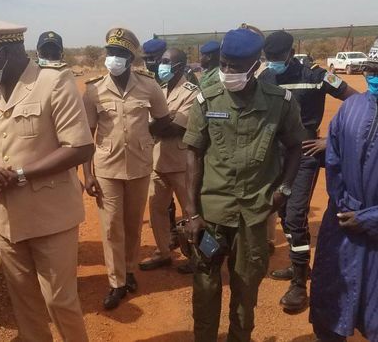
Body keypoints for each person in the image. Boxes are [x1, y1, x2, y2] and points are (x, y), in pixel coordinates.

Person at [0, 20, 93, 342]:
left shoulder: (54, 82)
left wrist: (21, 174)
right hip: (8, 219)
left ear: (8, 51)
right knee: (24, 302)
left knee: (59, 301)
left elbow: (79, 147)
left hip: (51, 216)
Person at [182, 27, 306, 342]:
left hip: (253, 215)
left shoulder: (281, 103)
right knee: (206, 289)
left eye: (235, 67)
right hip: (212, 214)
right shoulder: (206, 99)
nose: (226, 72)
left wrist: (285, 188)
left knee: (246, 291)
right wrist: (191, 213)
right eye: (223, 64)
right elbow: (192, 156)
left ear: (255, 66)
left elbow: (295, 146)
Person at [259, 30, 357, 313]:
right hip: (274, 155)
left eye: (277, 57)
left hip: (304, 155)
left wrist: (331, 140)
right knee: (282, 212)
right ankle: (297, 263)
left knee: (295, 214)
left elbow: (356, 102)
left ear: (291, 54)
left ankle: (300, 283)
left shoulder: (316, 76)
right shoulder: (265, 78)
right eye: (269, 57)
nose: (273, 62)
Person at [82, 28, 171, 310]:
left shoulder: (149, 85)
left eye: (120, 53)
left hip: (139, 165)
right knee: (111, 227)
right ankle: (116, 281)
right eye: (111, 52)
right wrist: (87, 174)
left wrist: (145, 136)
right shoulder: (94, 89)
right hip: (106, 167)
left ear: (131, 58)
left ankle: (129, 269)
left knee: (132, 224)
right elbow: (88, 133)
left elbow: (163, 118)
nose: (114, 58)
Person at [309, 59, 378, 342]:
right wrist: (346, 208)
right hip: (344, 224)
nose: (372, 76)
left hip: (360, 224)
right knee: (334, 301)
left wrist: (367, 218)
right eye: (370, 70)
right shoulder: (351, 108)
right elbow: (334, 164)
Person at [138, 48, 198, 271]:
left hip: (181, 163)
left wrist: (156, 123)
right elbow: (153, 122)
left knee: (191, 212)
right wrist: (164, 119)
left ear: (180, 66)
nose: (159, 65)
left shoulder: (191, 92)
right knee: (157, 211)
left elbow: (174, 128)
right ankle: (163, 251)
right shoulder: (159, 89)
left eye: (165, 62)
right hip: (156, 161)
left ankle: (197, 256)